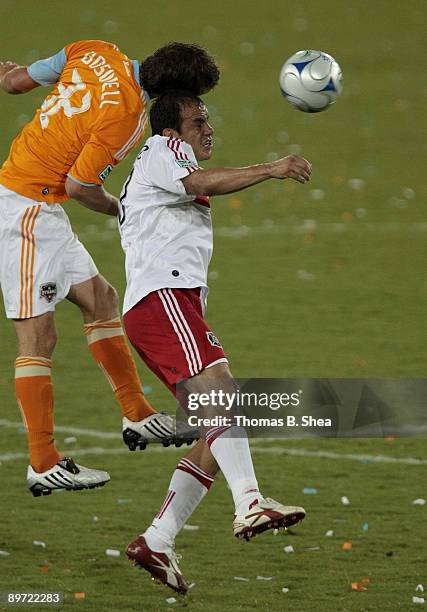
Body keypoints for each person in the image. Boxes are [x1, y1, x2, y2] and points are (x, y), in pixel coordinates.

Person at [0, 41, 219, 496]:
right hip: (22, 210)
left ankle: (138, 414)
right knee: (37, 336)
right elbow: (79, 185)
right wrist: (125, 209)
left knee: (101, 299)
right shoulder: (129, 117)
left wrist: (8, 77)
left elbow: (18, 81)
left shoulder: (94, 49)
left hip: (43, 206)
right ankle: (43, 462)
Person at [119, 91, 312, 593]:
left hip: (167, 304)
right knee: (222, 397)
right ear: (172, 130)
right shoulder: (164, 149)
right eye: (197, 121)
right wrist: (271, 168)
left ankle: (158, 539)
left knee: (218, 424)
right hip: (163, 299)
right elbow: (200, 182)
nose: (207, 129)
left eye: (207, 120)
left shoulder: (151, 165)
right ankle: (250, 502)